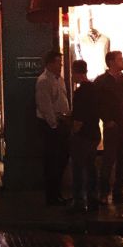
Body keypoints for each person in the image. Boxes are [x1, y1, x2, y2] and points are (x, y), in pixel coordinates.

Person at [94, 49, 123, 204]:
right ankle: (103, 193)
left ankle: (118, 192)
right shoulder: (101, 81)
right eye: (120, 59)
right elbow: (97, 103)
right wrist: (106, 120)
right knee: (109, 160)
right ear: (112, 62)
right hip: (112, 127)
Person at [35, 49, 71, 205]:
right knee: (52, 161)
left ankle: (57, 193)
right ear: (50, 64)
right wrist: (54, 125)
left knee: (61, 160)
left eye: (61, 62)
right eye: (58, 62)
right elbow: (45, 105)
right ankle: (52, 196)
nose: (61, 65)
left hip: (61, 122)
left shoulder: (60, 79)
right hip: (51, 126)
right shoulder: (44, 81)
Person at [69, 59, 101, 212]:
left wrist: (74, 131)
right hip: (94, 133)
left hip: (83, 135)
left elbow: (79, 118)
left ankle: (79, 201)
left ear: (76, 72)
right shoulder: (94, 89)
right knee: (91, 167)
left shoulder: (80, 92)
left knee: (78, 168)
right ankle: (93, 197)